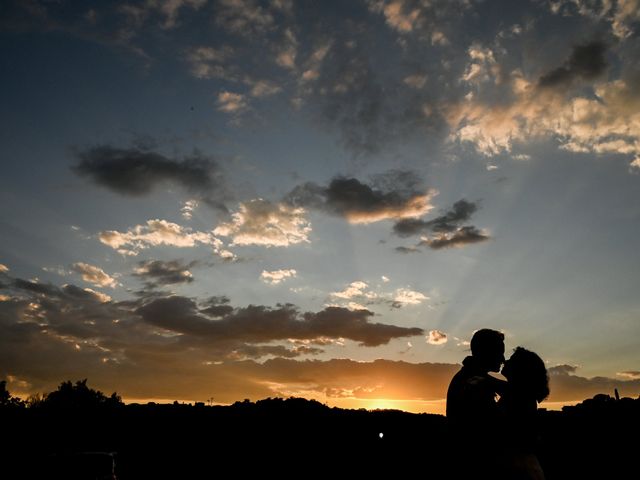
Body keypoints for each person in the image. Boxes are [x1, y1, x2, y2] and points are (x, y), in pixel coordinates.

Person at [446, 329, 507, 477]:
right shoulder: (474, 382)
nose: (503, 359)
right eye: (499, 352)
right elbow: (490, 427)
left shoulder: (473, 377)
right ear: (487, 352)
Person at [497, 347, 549, 480]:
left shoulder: (519, 396)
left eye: (511, 360)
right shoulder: (521, 394)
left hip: (520, 470)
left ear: (521, 369)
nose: (505, 361)